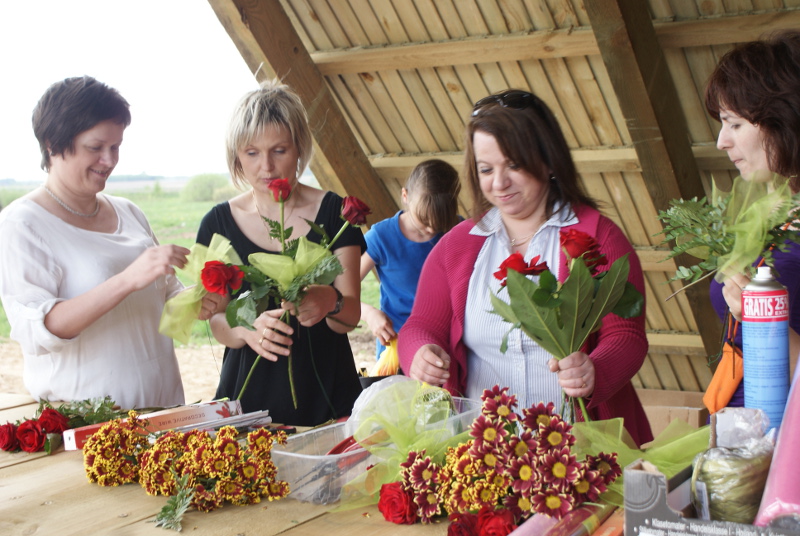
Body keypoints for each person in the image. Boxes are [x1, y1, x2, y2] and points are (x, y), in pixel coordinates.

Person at [398, 89, 653, 446]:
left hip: (586, 452)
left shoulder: (599, 237)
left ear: (548, 161)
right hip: (485, 452)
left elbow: (626, 336)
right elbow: (420, 326)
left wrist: (596, 370)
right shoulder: (456, 247)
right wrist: (419, 354)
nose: (498, 183)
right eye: (486, 169)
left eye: (514, 165)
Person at [0, 76, 217, 409]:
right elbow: (38, 330)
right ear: (52, 144)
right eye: (96, 147)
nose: (110, 160)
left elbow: (166, 297)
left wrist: (200, 299)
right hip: (88, 430)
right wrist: (128, 279)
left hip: (163, 414)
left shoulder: (128, 211)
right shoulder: (23, 224)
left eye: (115, 147)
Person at [197, 79, 365, 426]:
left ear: (299, 148)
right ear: (237, 156)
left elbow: (350, 315)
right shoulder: (218, 223)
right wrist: (244, 330)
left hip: (327, 399)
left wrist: (329, 300)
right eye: (252, 153)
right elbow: (216, 317)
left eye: (280, 150)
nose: (267, 167)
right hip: (247, 401)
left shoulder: (335, 212)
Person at [703, 30, 800, 412]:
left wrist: (764, 319)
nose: (721, 141)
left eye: (734, 123)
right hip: (745, 424)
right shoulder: (773, 208)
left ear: (784, 119)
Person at [360, 159, 461, 360]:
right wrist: (368, 313)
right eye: (423, 221)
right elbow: (341, 292)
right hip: (397, 347)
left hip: (447, 346)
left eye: (440, 223)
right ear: (405, 196)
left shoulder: (458, 230)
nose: (432, 230)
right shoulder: (381, 236)